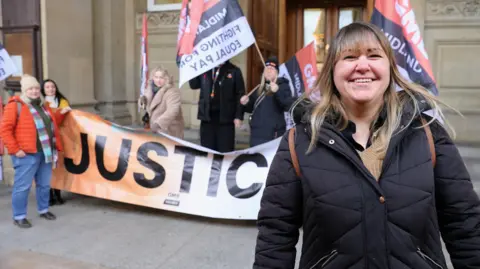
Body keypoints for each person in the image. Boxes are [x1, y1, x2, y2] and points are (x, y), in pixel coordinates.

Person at [253, 22, 480, 269]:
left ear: (390, 68)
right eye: (349, 57)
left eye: (374, 55)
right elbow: (274, 239)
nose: (363, 65)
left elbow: (466, 227)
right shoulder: (298, 142)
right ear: (332, 70)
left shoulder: (427, 134)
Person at [0, 74, 71, 228]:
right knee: (23, 186)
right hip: (25, 154)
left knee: (44, 184)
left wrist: (63, 112)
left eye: (36, 88)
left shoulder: (43, 105)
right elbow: (5, 130)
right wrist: (15, 150)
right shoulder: (15, 105)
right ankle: (19, 216)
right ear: (24, 90)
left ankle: (43, 209)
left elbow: (51, 122)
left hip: (45, 152)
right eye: (31, 88)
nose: (34, 91)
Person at [188, 60, 245, 152]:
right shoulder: (205, 69)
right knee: (207, 151)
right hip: (207, 117)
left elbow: (240, 94)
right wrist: (193, 68)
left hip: (226, 119)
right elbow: (193, 85)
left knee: (225, 150)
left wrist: (238, 115)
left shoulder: (234, 70)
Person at [240, 56, 294, 147]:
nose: (268, 70)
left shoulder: (283, 86)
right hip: (256, 134)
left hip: (273, 135)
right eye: (267, 68)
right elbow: (252, 108)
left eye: (272, 69)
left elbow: (287, 105)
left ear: (277, 72)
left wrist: (277, 91)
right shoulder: (259, 88)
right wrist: (245, 103)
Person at [41, 78, 70, 206]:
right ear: (43, 89)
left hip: (59, 138)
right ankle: (49, 195)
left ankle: (57, 193)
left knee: (57, 167)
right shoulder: (41, 103)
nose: (51, 89)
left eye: (52, 86)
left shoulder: (62, 101)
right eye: (47, 87)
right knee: (47, 168)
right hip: (45, 139)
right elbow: (51, 120)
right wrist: (60, 113)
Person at [138, 66, 184, 138]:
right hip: (155, 131)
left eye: (161, 78)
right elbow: (146, 104)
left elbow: (173, 111)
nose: (158, 80)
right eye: (156, 77)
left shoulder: (172, 92)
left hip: (169, 131)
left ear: (166, 79)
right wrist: (142, 100)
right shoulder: (150, 89)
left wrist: (158, 124)